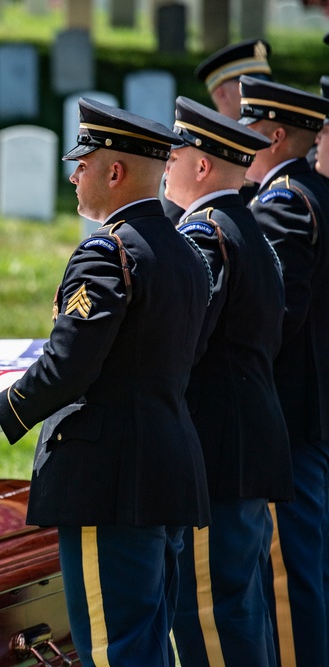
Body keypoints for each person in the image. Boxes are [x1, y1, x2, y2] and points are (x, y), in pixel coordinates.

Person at [0, 98, 211, 666]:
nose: (74, 174)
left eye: (83, 162)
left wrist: (3, 406)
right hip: (164, 471)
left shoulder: (108, 252)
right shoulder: (187, 252)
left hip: (111, 482)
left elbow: (70, 366)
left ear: (114, 171)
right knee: (146, 642)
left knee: (110, 649)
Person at [164, 96, 291, 666]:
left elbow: (184, 343)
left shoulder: (204, 235)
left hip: (218, 450)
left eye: (175, 152)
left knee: (212, 612)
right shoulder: (244, 227)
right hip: (246, 441)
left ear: (203, 166)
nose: (164, 163)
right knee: (242, 605)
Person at [238, 75, 329, 666]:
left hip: (287, 418)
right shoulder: (315, 192)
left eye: (247, 129)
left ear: (275, 135)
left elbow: (276, 315)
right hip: (309, 412)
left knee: (289, 581)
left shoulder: (285, 202)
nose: (236, 140)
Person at [164, 39, 274, 223]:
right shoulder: (193, 153)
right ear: (221, 93)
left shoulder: (274, 142)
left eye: (264, 85)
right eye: (249, 86)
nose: (262, 93)